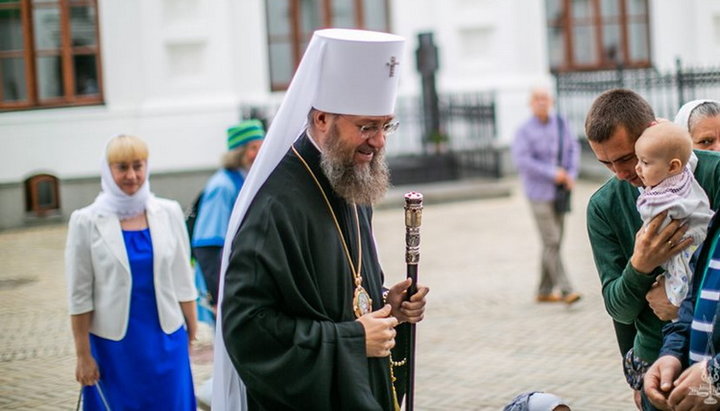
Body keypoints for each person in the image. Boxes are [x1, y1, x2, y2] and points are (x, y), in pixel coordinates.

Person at [211, 28, 429, 410]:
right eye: (366, 127)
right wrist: (351, 340)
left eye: (385, 125)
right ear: (324, 118)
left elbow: (349, 292)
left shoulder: (349, 177)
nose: (379, 142)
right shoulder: (274, 207)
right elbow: (246, 329)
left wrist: (388, 309)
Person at [585, 89, 720, 410]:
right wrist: (640, 267)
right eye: (606, 163)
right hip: (659, 364)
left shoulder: (713, 174)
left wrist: (685, 300)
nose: (620, 173)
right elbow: (619, 310)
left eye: (627, 158)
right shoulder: (604, 205)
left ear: (650, 132)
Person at [65, 134, 198, 409]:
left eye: (138, 166)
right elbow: (79, 295)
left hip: (166, 339)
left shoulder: (169, 211)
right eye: (122, 167)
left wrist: (192, 327)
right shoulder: (86, 221)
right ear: (107, 170)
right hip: (113, 346)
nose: (132, 175)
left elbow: (182, 277)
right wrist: (82, 355)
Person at [511, 86, 581, 304]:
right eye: (537, 99)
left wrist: (570, 174)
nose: (542, 102)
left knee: (554, 242)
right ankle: (566, 289)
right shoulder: (523, 131)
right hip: (538, 193)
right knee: (552, 240)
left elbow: (573, 148)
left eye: (545, 98)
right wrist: (553, 173)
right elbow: (523, 161)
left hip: (560, 193)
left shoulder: (561, 124)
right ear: (530, 103)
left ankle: (543, 290)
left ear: (551, 101)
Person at [635, 122, 713, 307]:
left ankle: (680, 311)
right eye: (638, 159)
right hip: (703, 234)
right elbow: (689, 157)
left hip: (686, 247)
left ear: (672, 167)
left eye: (645, 162)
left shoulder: (660, 201)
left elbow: (653, 231)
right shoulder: (684, 172)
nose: (637, 168)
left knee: (679, 288)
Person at [192, 119, 265, 308]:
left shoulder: (245, 180)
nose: (258, 154)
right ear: (238, 153)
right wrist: (219, 299)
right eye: (252, 148)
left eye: (262, 147)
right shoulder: (222, 187)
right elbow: (207, 246)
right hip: (219, 289)